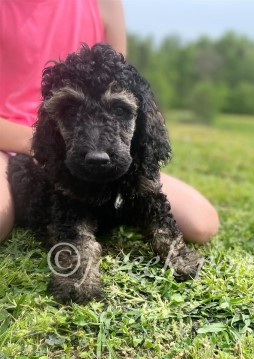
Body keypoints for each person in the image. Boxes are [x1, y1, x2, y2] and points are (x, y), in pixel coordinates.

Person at [0, 0, 219, 244]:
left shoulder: (104, 3)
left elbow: (120, 88)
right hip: (15, 142)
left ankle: (99, 207)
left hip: (97, 143)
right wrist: (44, 148)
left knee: (202, 223)